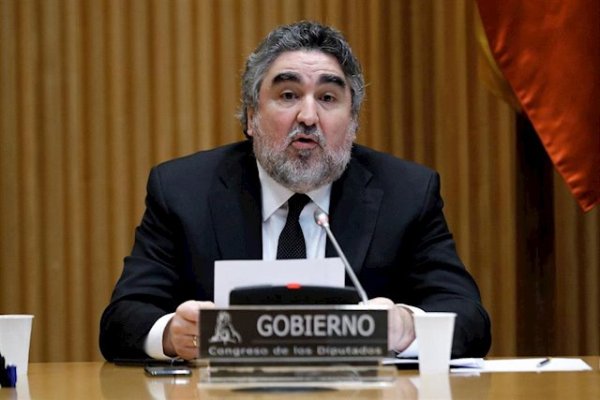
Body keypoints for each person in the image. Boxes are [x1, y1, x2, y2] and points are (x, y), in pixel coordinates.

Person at [99, 21, 491, 361]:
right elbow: (123, 318)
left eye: (328, 98)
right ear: (251, 115)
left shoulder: (406, 193)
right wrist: (172, 334)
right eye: (288, 95)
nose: (308, 116)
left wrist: (405, 326)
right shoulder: (184, 191)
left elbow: (469, 318)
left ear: (353, 122)